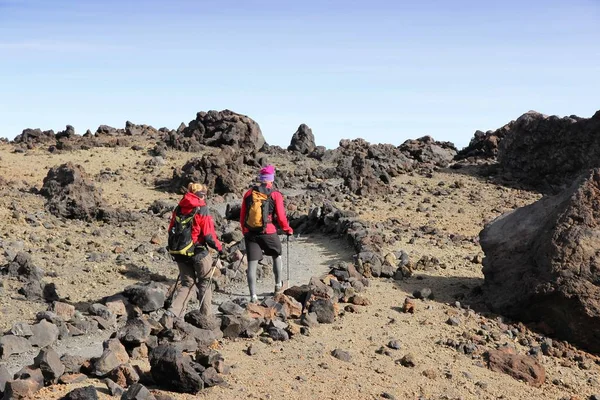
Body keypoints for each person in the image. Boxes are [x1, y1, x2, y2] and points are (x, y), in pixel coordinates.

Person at [167, 182, 222, 318]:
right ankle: (205, 317)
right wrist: (219, 248)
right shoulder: (202, 208)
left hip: (180, 252)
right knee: (204, 282)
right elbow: (209, 235)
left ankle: (173, 313)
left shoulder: (179, 207)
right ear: (201, 195)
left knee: (187, 284)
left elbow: (171, 230)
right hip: (198, 252)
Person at [240, 165, 293, 303]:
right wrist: (287, 229)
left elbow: (242, 216)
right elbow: (281, 217)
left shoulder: (249, 193)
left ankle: (253, 296)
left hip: (251, 232)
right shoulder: (275, 194)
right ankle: (277, 286)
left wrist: (245, 231)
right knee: (277, 255)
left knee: (252, 264)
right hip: (268, 231)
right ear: (271, 179)